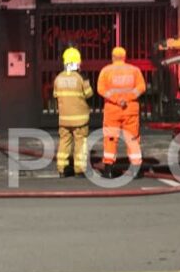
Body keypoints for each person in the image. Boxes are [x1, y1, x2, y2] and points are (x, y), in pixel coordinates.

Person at [97, 46, 146, 178]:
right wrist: (127, 98)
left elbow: (101, 89)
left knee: (111, 138)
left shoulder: (106, 71)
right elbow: (141, 87)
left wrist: (117, 100)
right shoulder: (134, 70)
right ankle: (135, 169)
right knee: (133, 138)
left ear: (112, 57)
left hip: (112, 110)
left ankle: (109, 169)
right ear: (125, 57)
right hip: (130, 109)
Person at [52, 47, 94, 177]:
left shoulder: (58, 78)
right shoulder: (81, 78)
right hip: (80, 119)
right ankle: (79, 170)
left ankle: (62, 169)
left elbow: (55, 95)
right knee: (80, 143)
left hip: (64, 119)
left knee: (64, 143)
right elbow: (89, 94)